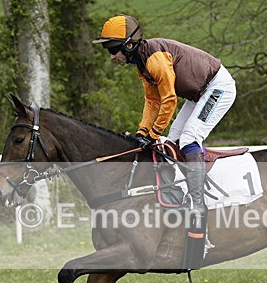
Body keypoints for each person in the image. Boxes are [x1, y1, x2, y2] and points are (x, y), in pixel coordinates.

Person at [92, 14, 237, 235]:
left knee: (189, 138)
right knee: (172, 142)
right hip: (199, 93)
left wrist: (154, 132)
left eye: (113, 50)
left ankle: (199, 205)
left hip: (218, 87)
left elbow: (169, 99)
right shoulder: (141, 64)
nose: (111, 57)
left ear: (129, 45)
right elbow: (152, 101)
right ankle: (179, 196)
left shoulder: (154, 60)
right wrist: (143, 130)